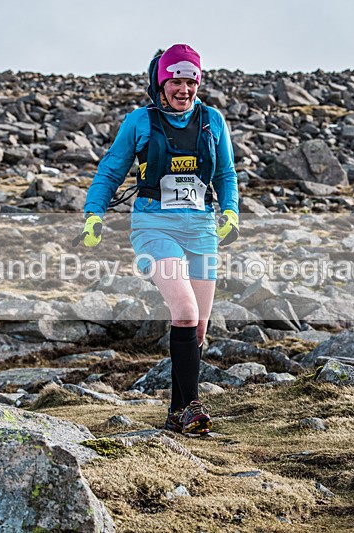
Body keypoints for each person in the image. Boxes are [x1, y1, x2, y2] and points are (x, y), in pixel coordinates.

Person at [79, 44, 240, 435]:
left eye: (191, 81)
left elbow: (226, 175)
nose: (184, 89)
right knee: (183, 311)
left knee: (198, 329)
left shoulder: (212, 120)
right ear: (160, 82)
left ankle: (176, 413)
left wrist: (231, 211)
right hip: (154, 227)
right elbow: (110, 171)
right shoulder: (139, 121)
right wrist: (93, 214)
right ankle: (194, 406)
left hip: (201, 228)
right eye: (175, 81)